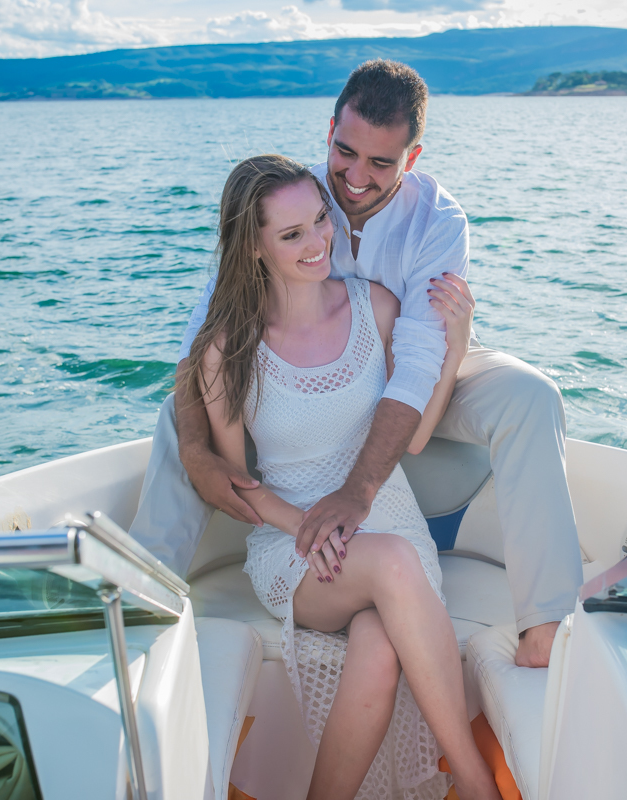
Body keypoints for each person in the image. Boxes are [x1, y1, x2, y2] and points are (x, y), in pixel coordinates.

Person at [130, 59, 584, 668]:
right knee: (178, 411)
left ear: (412, 159)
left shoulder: (439, 222)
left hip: (419, 370)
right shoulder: (291, 200)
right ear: (329, 133)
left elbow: (422, 359)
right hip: (308, 373)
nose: (356, 177)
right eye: (346, 153)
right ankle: (134, 602)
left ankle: (545, 626)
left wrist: (357, 492)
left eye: (381, 163)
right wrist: (197, 455)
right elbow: (200, 336)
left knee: (530, 394)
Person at [185, 153, 498, 799]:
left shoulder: (376, 306)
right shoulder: (227, 346)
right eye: (292, 234)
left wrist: (456, 346)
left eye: (320, 221)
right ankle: (472, 780)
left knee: (381, 643)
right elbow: (234, 482)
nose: (319, 242)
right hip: (296, 549)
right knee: (388, 567)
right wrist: (305, 524)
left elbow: (410, 434)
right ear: (253, 247)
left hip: (390, 525)